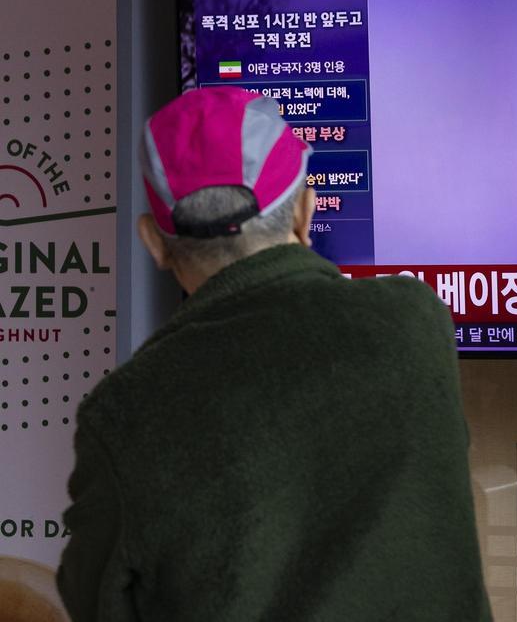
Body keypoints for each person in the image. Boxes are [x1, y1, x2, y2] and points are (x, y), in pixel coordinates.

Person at [57, 87, 491, 621]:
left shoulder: (123, 412)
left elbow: (95, 601)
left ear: (155, 244)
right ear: (306, 210)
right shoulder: (413, 321)